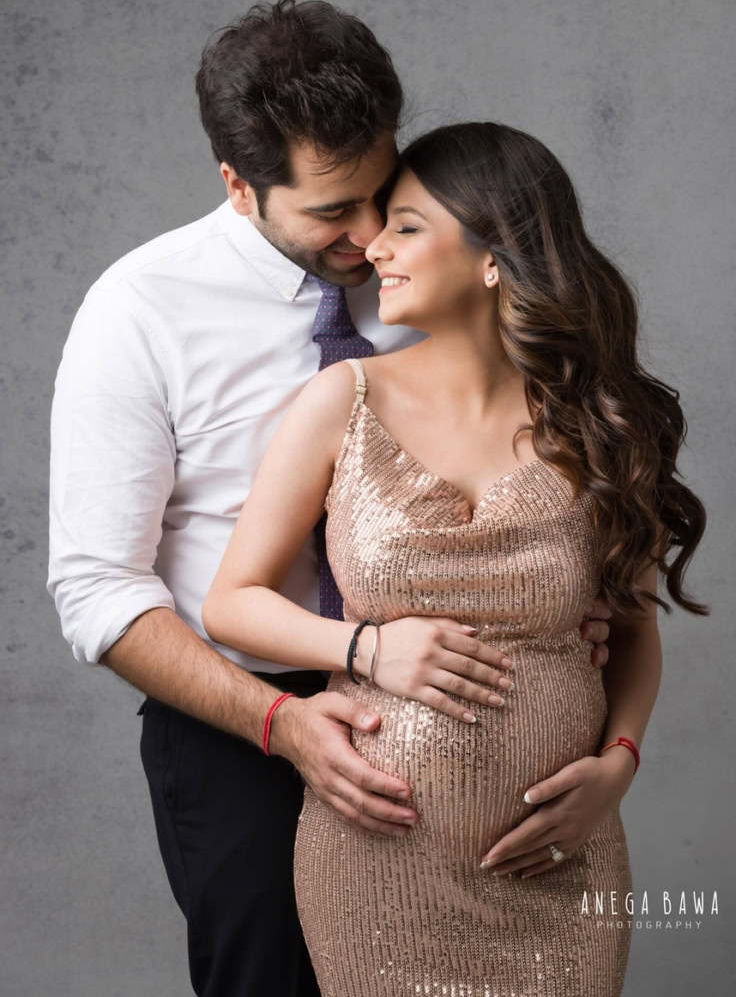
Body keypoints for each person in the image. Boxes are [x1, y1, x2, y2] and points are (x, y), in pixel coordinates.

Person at [47, 0, 614, 997]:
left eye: (380, 195)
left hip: (462, 719)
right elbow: (98, 589)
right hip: (242, 717)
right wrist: (282, 717)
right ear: (238, 184)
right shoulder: (139, 310)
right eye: (330, 211)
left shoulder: (430, 270)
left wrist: (565, 602)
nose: (365, 237)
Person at [201, 120, 708, 996]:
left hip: (559, 865)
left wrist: (620, 765)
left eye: (405, 226)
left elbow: (631, 631)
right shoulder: (343, 399)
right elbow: (231, 601)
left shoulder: (598, 423)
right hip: (375, 868)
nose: (374, 248)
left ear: (492, 258)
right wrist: (365, 647)